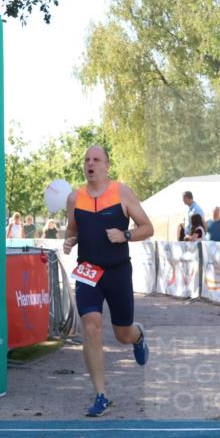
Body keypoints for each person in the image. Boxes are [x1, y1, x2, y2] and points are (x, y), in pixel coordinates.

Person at [64, 145, 153, 417]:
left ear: (107, 166)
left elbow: (147, 228)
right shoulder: (74, 198)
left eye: (96, 160)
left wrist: (125, 236)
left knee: (121, 333)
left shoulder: (121, 192)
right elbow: (72, 228)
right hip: (88, 272)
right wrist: (70, 240)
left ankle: (137, 336)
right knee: (90, 326)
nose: (90, 164)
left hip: (117, 271)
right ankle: (101, 395)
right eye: (86, 159)